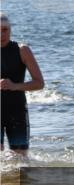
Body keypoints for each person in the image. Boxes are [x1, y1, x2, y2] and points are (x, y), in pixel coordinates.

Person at [1, 14, 45, 154]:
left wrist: (15, 86)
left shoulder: (22, 50)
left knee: (20, 160)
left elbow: (39, 83)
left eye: (5, 29)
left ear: (10, 29)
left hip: (17, 110)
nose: (1, 34)